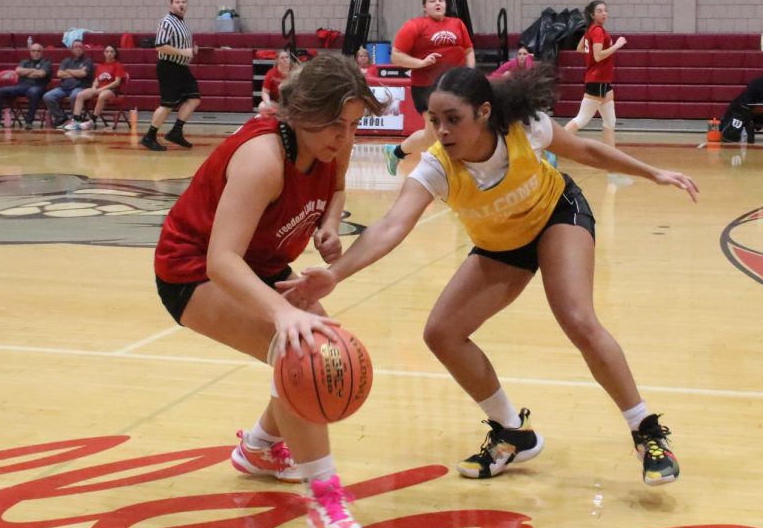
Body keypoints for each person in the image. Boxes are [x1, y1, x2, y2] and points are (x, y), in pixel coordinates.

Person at [284, 64, 698, 486]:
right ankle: (513, 431)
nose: (442, 131)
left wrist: (653, 172)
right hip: (503, 244)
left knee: (576, 317)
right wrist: (335, 274)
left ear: (484, 112)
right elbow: (390, 227)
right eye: (434, 121)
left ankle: (645, 430)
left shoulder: (524, 127)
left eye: (453, 119)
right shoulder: (436, 167)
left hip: (556, 215)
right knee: (441, 332)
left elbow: (586, 151)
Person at [153, 54, 384, 528]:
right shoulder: (262, 157)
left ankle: (258, 448)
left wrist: (327, 222)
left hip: (262, 265)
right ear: (300, 112)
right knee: (303, 355)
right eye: (334, 125)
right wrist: (283, 313)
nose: (344, 138)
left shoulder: (331, 144)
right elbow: (221, 260)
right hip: (192, 270)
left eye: (352, 125)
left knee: (320, 355)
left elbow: (337, 187)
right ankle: (325, 499)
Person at [382, 0, 475, 175]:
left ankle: (395, 151)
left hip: (453, 87)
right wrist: (421, 63)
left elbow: (468, 50)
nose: (437, 3)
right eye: (432, 1)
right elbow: (396, 56)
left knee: (430, 135)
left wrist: (469, 71)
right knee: (438, 135)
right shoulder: (414, 26)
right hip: (426, 88)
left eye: (441, 0)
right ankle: (445, 176)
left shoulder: (457, 24)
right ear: (425, 7)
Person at [564, 0, 626, 152]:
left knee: (610, 121)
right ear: (592, 14)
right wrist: (616, 46)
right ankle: (551, 146)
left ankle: (611, 158)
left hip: (603, 81)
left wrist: (588, 41)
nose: (604, 13)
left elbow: (580, 48)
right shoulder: (597, 30)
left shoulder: (592, 30)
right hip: (597, 80)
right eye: (599, 11)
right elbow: (598, 56)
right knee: (582, 119)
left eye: (605, 10)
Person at [143, 0, 201, 151]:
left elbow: (181, 45)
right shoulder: (166, 22)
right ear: (171, 4)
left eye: (183, 2)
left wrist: (191, 49)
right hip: (169, 66)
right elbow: (160, 45)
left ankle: (176, 131)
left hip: (182, 68)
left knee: (194, 98)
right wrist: (183, 52)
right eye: (177, 2)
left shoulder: (182, 22)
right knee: (167, 105)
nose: (181, 4)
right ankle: (149, 136)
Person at [0, 42, 53, 129]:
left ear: (42, 52)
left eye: (38, 51)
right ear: (30, 52)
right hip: (21, 86)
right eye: (33, 51)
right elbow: (18, 71)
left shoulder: (46, 62)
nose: (35, 53)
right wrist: (33, 71)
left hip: (38, 86)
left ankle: (29, 122)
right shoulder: (24, 61)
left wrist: (26, 73)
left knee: (33, 92)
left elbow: (41, 74)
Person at [66, 45, 127, 130]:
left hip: (111, 90)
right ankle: (76, 120)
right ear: (104, 53)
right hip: (99, 88)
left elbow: (117, 82)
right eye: (107, 51)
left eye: (111, 51)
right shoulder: (100, 65)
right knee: (80, 94)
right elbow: (96, 80)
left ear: (115, 54)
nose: (109, 53)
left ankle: (92, 121)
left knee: (102, 95)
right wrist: (94, 87)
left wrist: (101, 89)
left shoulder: (118, 65)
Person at [44, 40, 95, 128]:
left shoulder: (88, 61)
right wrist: (77, 73)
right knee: (48, 96)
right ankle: (62, 118)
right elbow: (59, 74)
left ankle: (75, 119)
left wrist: (68, 71)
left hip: (80, 87)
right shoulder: (66, 60)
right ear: (71, 49)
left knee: (75, 96)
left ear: (83, 49)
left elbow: (83, 74)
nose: (78, 49)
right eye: (76, 47)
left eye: (80, 47)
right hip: (63, 88)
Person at [259, 50, 293, 114]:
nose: (285, 59)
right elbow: (265, 92)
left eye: (287, 57)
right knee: (262, 106)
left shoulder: (294, 72)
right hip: (276, 104)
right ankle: (281, 114)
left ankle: (283, 114)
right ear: (277, 60)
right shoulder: (271, 73)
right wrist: (268, 103)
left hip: (290, 104)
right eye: (282, 58)